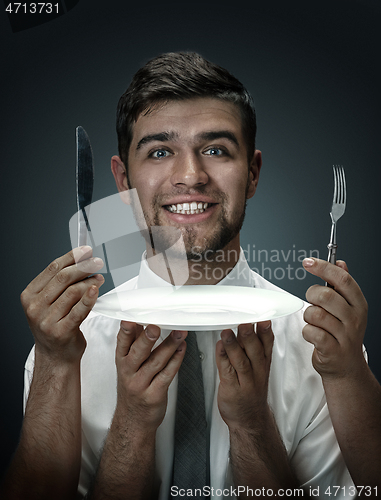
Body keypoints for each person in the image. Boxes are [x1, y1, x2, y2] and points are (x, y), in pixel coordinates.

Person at [1, 52, 380, 500]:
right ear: (123, 181)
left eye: (216, 150)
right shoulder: (66, 341)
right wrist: (134, 421)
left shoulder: (316, 343)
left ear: (253, 173)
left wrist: (251, 425)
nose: (190, 176)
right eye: (160, 152)